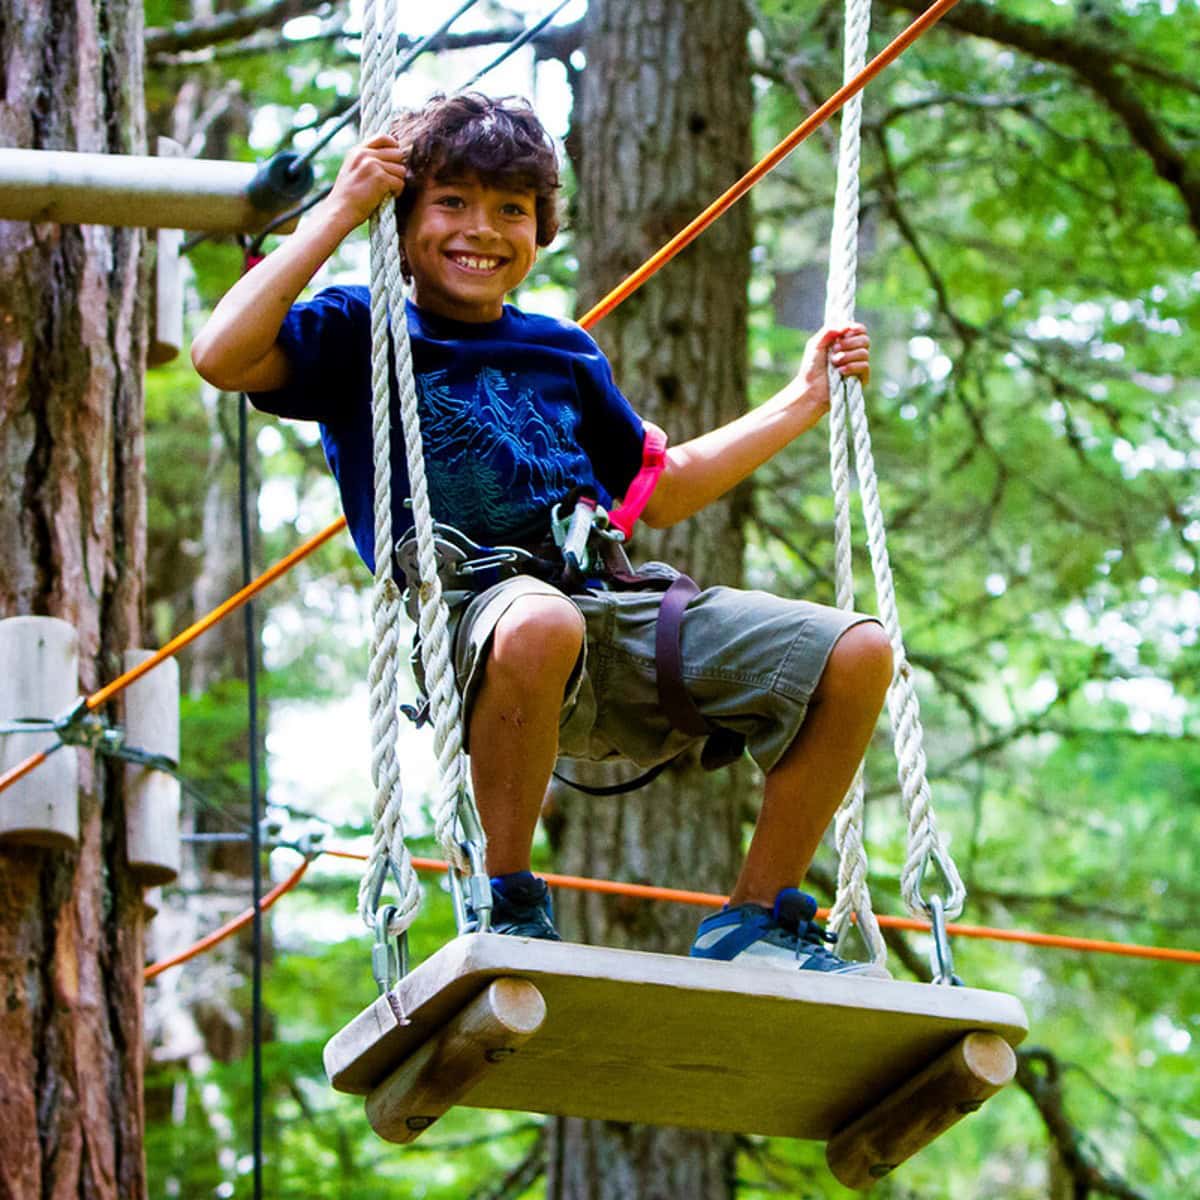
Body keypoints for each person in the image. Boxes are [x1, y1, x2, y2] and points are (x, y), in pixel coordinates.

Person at [192, 93, 892, 977]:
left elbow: (660, 490)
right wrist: (339, 210)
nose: (480, 230)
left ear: (539, 228)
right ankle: (506, 894)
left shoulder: (562, 353)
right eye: (451, 202)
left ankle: (758, 917)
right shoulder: (362, 332)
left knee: (854, 652)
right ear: (402, 218)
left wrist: (803, 400)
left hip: (606, 610)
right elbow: (221, 354)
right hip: (475, 622)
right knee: (538, 621)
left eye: (510, 209)